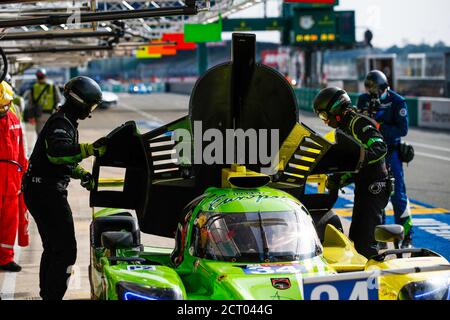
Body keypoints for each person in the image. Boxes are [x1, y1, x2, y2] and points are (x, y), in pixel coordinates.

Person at [22, 76, 107, 300]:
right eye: (91, 105)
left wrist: (81, 174)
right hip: (46, 192)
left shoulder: (65, 121)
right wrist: (91, 149)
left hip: (41, 189)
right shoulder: (61, 123)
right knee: (66, 250)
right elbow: (57, 153)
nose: (91, 111)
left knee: (53, 247)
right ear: (80, 102)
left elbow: (61, 161)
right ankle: (53, 296)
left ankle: (48, 295)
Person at [313, 87, 390, 258]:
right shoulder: (343, 129)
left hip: (375, 187)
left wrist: (358, 163)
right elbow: (352, 163)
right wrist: (338, 179)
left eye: (324, 116)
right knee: (355, 238)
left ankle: (375, 281)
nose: (325, 121)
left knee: (365, 243)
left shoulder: (358, 123)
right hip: (364, 185)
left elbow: (380, 147)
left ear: (336, 110)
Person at [357, 70, 412, 248]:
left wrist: (379, 126)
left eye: (375, 89)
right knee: (375, 195)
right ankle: (380, 237)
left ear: (383, 87)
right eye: (369, 89)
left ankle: (406, 237)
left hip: (391, 153)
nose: (372, 93)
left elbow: (402, 130)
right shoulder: (362, 100)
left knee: (398, 195)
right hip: (371, 154)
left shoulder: (397, 101)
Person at [0, 80, 28, 272]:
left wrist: (24, 174)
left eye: (5, 104)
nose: (3, 108)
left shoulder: (14, 119)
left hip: (12, 181)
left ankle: (5, 258)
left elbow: (20, 151)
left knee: (9, 222)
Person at [25, 68, 61, 134]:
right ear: (45, 76)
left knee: (40, 136)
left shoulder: (33, 88)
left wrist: (31, 116)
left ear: (37, 77)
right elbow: (58, 100)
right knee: (51, 135)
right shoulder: (52, 86)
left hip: (39, 116)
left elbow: (30, 103)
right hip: (51, 114)